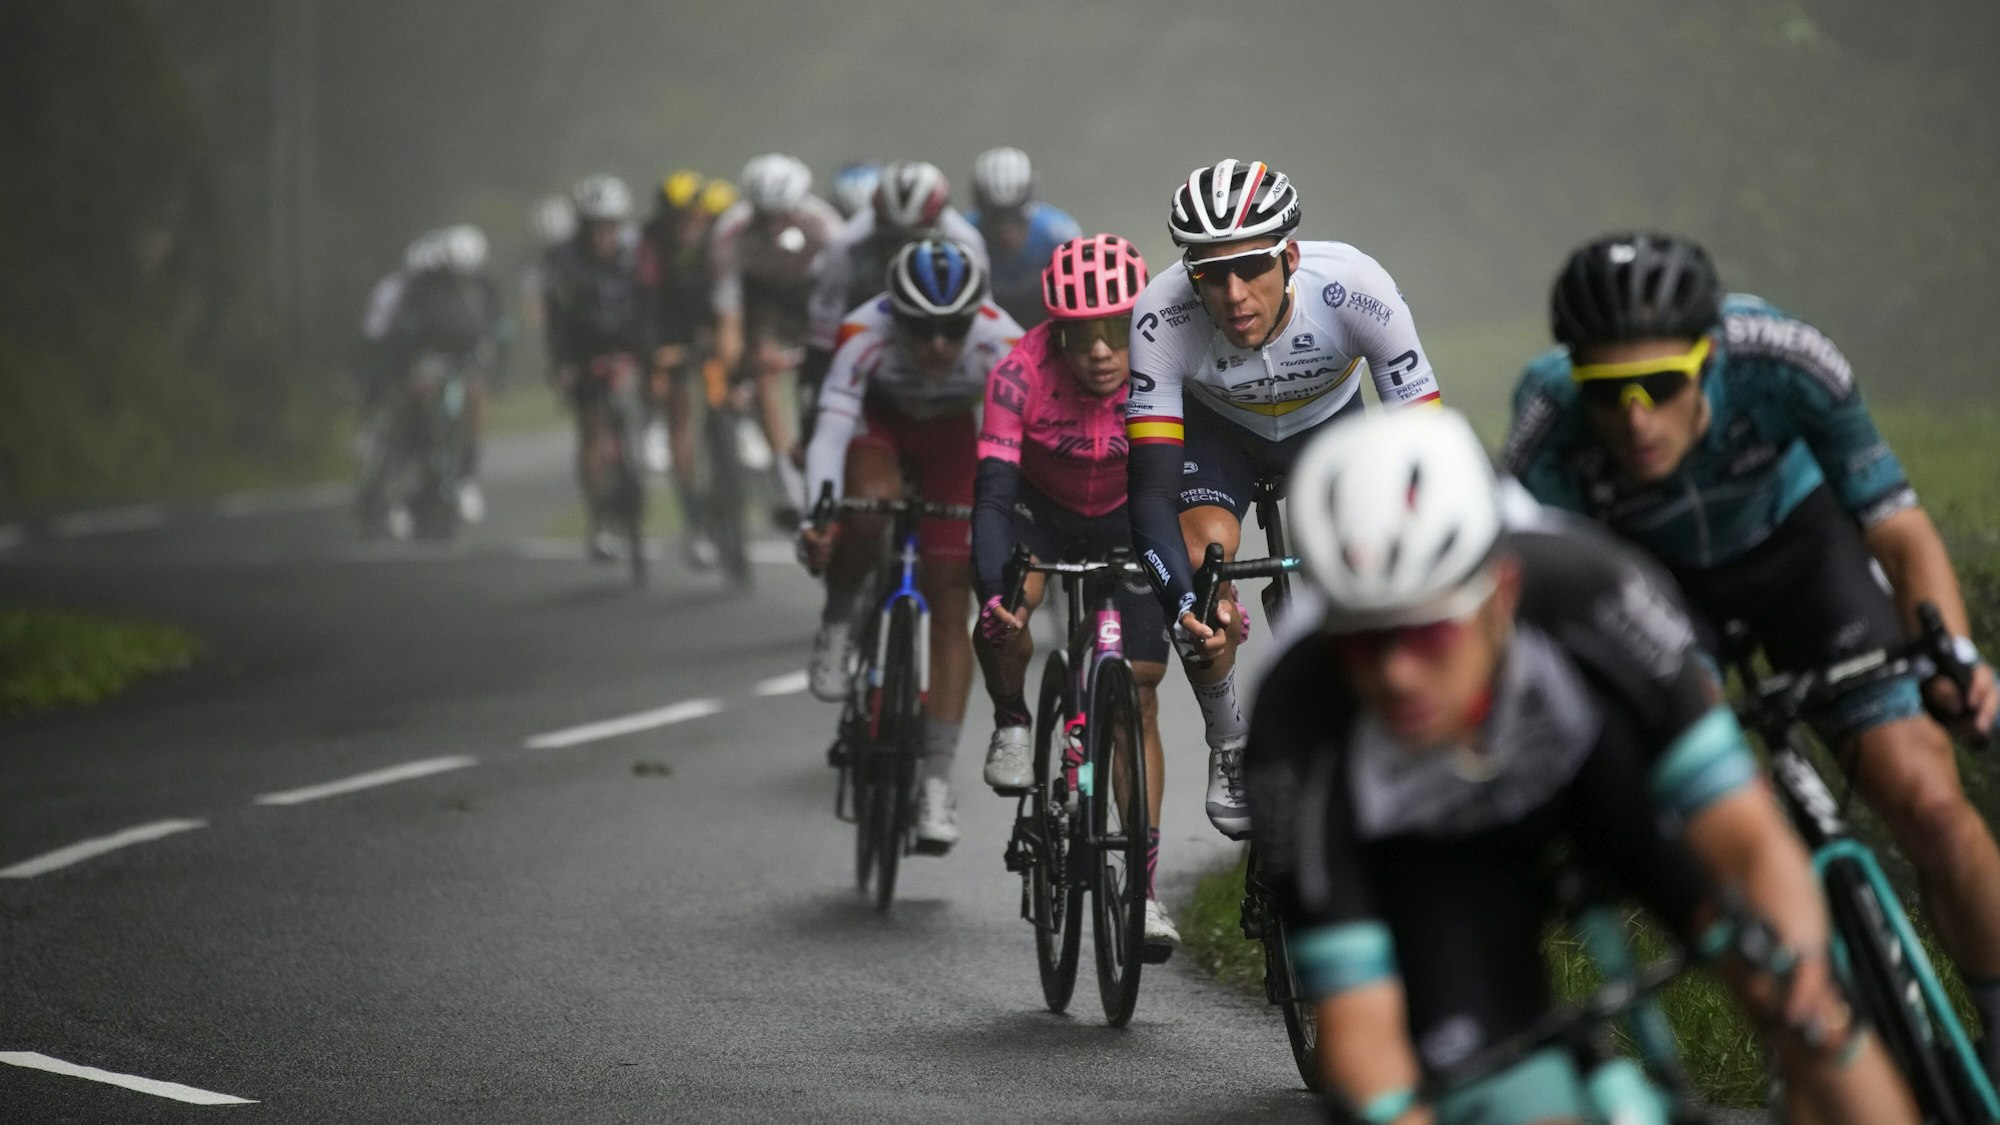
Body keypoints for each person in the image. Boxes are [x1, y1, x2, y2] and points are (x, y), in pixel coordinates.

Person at [1248, 407, 1916, 1125]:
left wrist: (1804, 967)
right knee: (1507, 1103)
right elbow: (1362, 1045)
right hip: (1440, 859)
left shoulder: (1593, 591)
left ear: (1500, 594)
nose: (1399, 675)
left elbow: (1751, 841)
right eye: (1362, 646)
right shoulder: (1293, 714)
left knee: (1810, 1008)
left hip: (1604, 781)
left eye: (1429, 632)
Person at [1504, 231, 2000, 1078]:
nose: (1635, 418)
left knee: (1927, 800)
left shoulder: (1788, 359)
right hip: (1655, 592)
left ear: (1713, 356)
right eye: (1608, 392)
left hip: (1799, 557)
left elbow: (1898, 527)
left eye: (1662, 386)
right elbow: (1535, 596)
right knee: (1730, 812)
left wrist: (1954, 658)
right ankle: (1823, 1027)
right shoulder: (1546, 417)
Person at [1124, 158, 1445, 838]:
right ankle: (1229, 740)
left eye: (1252, 267)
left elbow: (1427, 449)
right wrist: (1183, 604)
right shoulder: (1162, 315)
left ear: (1290, 256)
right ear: (1191, 276)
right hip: (1222, 438)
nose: (1234, 293)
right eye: (1211, 273)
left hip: (1326, 432)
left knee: (1362, 571)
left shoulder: (1357, 289)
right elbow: (1150, 494)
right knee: (1203, 567)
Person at [969, 233, 1179, 950]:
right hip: (1042, 514)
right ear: (1054, 330)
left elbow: (1185, 479)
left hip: (1128, 514)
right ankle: (1013, 717)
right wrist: (996, 589)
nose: (1098, 349)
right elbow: (993, 497)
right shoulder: (1017, 373)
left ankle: (1143, 893)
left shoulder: (1169, 362)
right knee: (1006, 610)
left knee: (1140, 695)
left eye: (1116, 329)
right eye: (1080, 333)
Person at [797, 238, 1023, 852]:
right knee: (868, 505)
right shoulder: (862, 331)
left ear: (975, 317)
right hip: (881, 425)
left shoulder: (1002, 341)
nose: (938, 346)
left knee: (951, 601)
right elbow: (831, 429)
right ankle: (840, 620)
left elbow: (1029, 440)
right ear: (896, 315)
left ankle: (935, 782)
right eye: (922, 329)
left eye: (952, 329)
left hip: (951, 437)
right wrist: (820, 515)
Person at [801, 161, 990, 438]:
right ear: (877, 221)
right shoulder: (847, 244)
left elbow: (983, 320)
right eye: (891, 241)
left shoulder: (966, 242)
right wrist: (813, 416)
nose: (902, 252)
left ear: (939, 223)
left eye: (914, 239)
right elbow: (823, 330)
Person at [708, 154, 843, 520]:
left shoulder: (825, 225)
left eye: (781, 215)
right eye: (764, 217)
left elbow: (843, 295)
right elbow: (728, 312)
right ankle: (787, 480)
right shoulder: (730, 233)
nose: (772, 226)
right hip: (761, 299)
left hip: (810, 294)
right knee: (761, 368)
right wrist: (736, 368)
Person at [544, 173, 649, 559]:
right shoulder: (564, 260)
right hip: (584, 352)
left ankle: (646, 443)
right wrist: (563, 364)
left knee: (643, 397)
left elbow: (650, 301)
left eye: (610, 226)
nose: (602, 235)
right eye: (594, 227)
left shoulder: (637, 252)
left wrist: (647, 349)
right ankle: (599, 518)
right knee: (592, 432)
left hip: (630, 346)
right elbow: (557, 317)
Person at [636, 170, 737, 566]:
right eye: (680, 220)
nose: (688, 227)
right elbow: (645, 302)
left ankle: (737, 439)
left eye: (694, 218)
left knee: (724, 391)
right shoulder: (651, 244)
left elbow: (731, 292)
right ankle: (694, 517)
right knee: (679, 416)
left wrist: (726, 338)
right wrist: (655, 351)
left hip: (711, 326)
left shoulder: (720, 236)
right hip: (669, 334)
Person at [965, 146, 1081, 328]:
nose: (1006, 231)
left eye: (1015, 217)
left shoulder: (1059, 234)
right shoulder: (964, 237)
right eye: (995, 219)